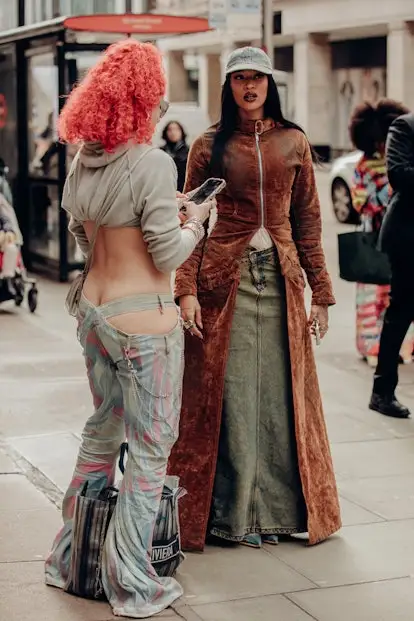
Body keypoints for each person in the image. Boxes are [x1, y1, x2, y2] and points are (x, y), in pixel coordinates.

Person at [44, 40, 214, 618]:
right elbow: (166, 255)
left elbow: (84, 238)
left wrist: (163, 212)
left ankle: (70, 559)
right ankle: (133, 582)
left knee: (101, 432)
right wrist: (199, 221)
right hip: (143, 323)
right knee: (148, 450)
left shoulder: (83, 160)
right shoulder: (152, 162)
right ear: (146, 97)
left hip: (92, 313)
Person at [167, 46, 341, 552]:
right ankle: (233, 516)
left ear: (270, 84)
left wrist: (322, 295)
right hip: (226, 280)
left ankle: (282, 514)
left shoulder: (295, 142)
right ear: (229, 85)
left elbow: (308, 220)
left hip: (283, 279)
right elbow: (190, 219)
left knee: (283, 397)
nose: (249, 87)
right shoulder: (208, 145)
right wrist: (186, 291)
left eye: (257, 79)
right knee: (234, 396)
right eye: (240, 78)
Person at [349, 100, 414, 368]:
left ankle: (400, 348)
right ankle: (371, 346)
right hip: (374, 235)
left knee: (395, 297)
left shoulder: (400, 156)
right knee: (372, 297)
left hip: (398, 234)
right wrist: (385, 196)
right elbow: (359, 200)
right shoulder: (363, 165)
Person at [370, 111, 414, 419]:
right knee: (401, 312)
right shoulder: (405, 126)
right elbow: (399, 174)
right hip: (409, 236)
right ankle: (382, 392)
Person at [161, 121, 189, 192]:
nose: (173, 132)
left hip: (183, 190)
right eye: (170, 130)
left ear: (181, 132)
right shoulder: (160, 152)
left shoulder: (189, 151)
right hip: (164, 190)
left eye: (176, 129)